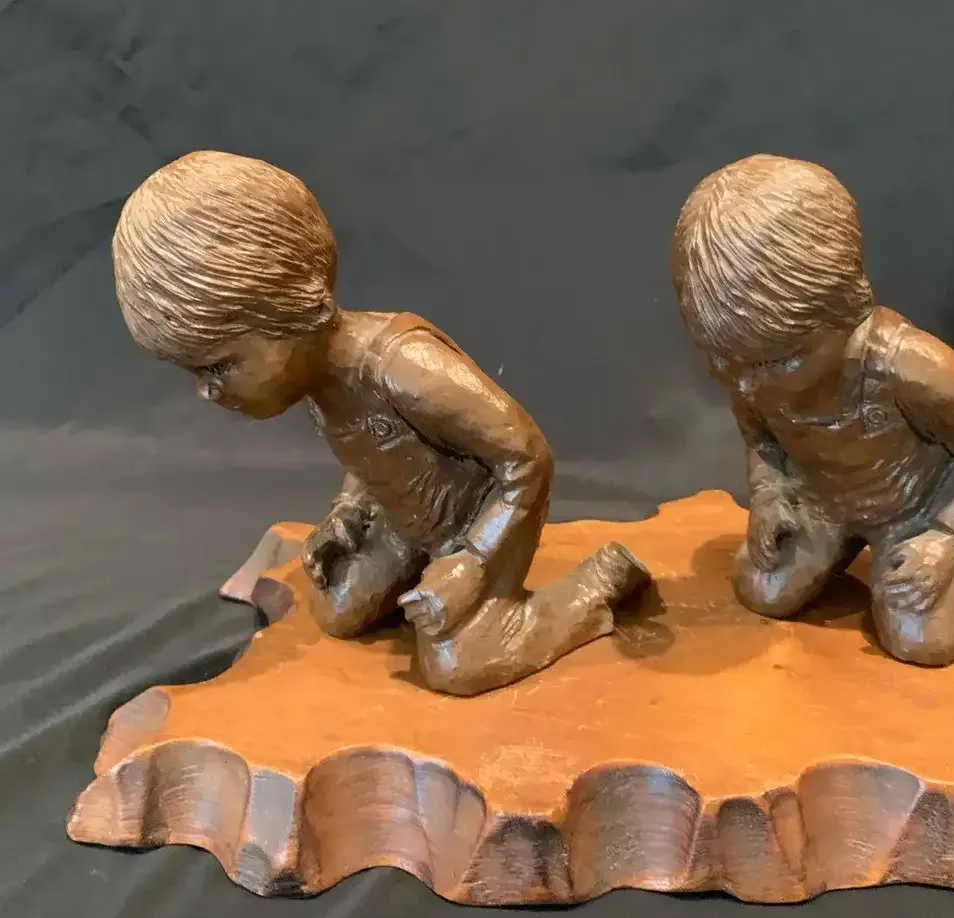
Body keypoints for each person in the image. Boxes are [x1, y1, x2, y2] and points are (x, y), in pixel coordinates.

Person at [112, 150, 649, 695]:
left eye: (219, 366)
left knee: (456, 666)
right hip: (403, 524)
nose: (206, 391)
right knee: (338, 608)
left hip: (474, 525)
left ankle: (600, 581)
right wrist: (346, 514)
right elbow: (371, 454)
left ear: (289, 309)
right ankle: (420, 577)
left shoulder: (403, 367)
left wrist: (475, 560)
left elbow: (526, 459)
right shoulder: (318, 379)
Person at [670, 154, 954, 666]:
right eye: (723, 360)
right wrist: (770, 494)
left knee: (921, 637)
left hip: (913, 511)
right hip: (822, 502)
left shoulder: (906, 365)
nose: (748, 383)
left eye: (778, 361)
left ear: (847, 307)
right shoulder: (751, 372)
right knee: (761, 587)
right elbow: (761, 439)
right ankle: (837, 546)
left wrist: (944, 537)